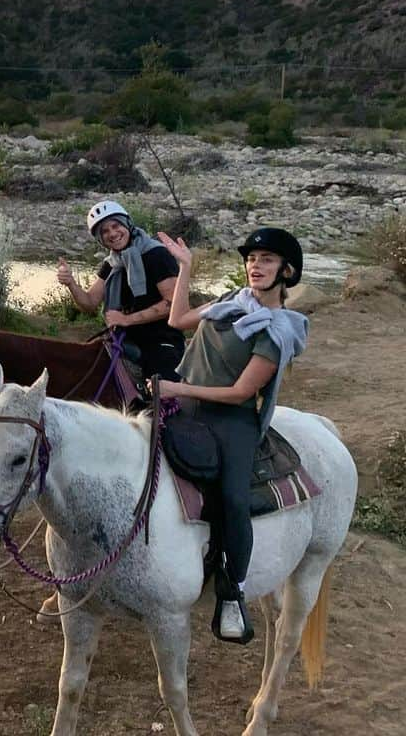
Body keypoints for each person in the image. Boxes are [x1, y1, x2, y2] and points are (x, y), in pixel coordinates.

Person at [156, 226, 308, 645]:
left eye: (266, 260)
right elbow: (177, 319)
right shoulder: (229, 303)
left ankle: (232, 593)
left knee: (235, 498)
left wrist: (177, 388)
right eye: (251, 259)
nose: (255, 266)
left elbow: (241, 392)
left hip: (231, 419)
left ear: (286, 271)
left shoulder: (277, 332)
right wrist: (185, 267)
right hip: (186, 405)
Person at [57, 200, 184, 394]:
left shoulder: (156, 255)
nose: (112, 234)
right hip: (123, 339)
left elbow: (172, 303)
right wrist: (71, 284)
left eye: (115, 226)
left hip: (160, 338)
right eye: (104, 231)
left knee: (163, 393)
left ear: (127, 224)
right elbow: (90, 303)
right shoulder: (112, 263)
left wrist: (126, 319)